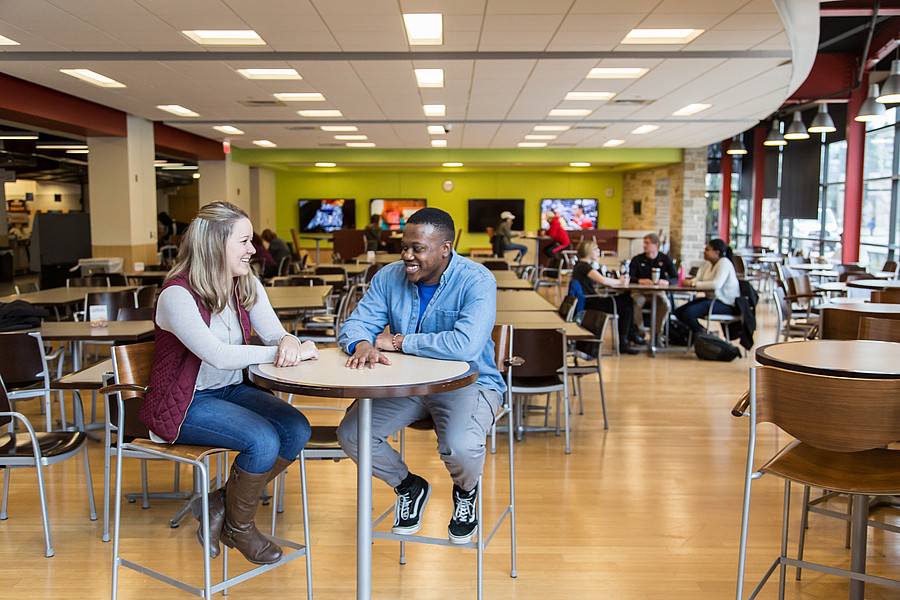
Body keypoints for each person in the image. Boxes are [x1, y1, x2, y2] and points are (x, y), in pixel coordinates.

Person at [144, 202, 319, 565]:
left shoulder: (245, 282)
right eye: (244, 241)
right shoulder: (177, 294)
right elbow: (218, 355)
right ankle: (240, 528)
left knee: (296, 429)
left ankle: (218, 505)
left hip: (230, 391)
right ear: (214, 244)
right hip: (185, 402)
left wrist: (289, 341)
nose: (253, 249)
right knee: (262, 440)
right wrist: (284, 352)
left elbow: (275, 333)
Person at [335, 207, 504, 545]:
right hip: (408, 385)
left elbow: (466, 345)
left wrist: (400, 342)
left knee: (459, 446)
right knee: (352, 434)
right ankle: (409, 486)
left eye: (418, 249)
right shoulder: (388, 277)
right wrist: (362, 343)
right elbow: (355, 324)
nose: (407, 256)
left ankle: (466, 491)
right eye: (404, 247)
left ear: (445, 249)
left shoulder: (477, 280)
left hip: (469, 383)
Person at [571, 241, 640, 354]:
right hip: (590, 302)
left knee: (626, 302)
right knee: (627, 303)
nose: (598, 252)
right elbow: (603, 280)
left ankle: (628, 338)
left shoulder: (580, 265)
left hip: (588, 300)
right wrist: (620, 281)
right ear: (589, 252)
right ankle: (626, 340)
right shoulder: (584, 266)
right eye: (596, 250)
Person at [673, 238, 741, 334]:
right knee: (679, 312)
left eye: (707, 249)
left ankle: (706, 335)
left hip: (726, 304)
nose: (704, 252)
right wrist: (690, 282)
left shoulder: (724, 263)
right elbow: (699, 279)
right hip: (711, 300)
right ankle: (698, 334)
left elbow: (716, 284)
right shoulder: (708, 264)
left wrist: (693, 284)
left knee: (689, 313)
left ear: (716, 252)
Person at [629, 232, 678, 344]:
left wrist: (666, 282)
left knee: (665, 304)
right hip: (640, 292)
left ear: (656, 245)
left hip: (658, 292)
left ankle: (657, 334)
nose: (644, 246)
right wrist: (640, 281)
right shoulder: (637, 259)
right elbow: (630, 278)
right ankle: (640, 332)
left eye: (647, 243)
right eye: (644, 243)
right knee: (635, 302)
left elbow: (675, 278)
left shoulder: (665, 259)